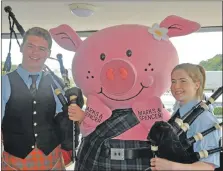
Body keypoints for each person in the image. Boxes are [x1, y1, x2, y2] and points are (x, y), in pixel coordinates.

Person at [1, 27, 83, 170]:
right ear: (21, 47)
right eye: (30, 46)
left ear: (48, 53)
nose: (35, 52)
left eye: (41, 48)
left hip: (51, 158)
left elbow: (67, 119)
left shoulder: (56, 83)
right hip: (14, 160)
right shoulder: (4, 83)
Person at [150, 63, 221, 170]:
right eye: (173, 81)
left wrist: (171, 166)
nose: (176, 86)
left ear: (196, 85)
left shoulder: (204, 119)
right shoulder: (178, 113)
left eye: (183, 81)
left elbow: (208, 166)